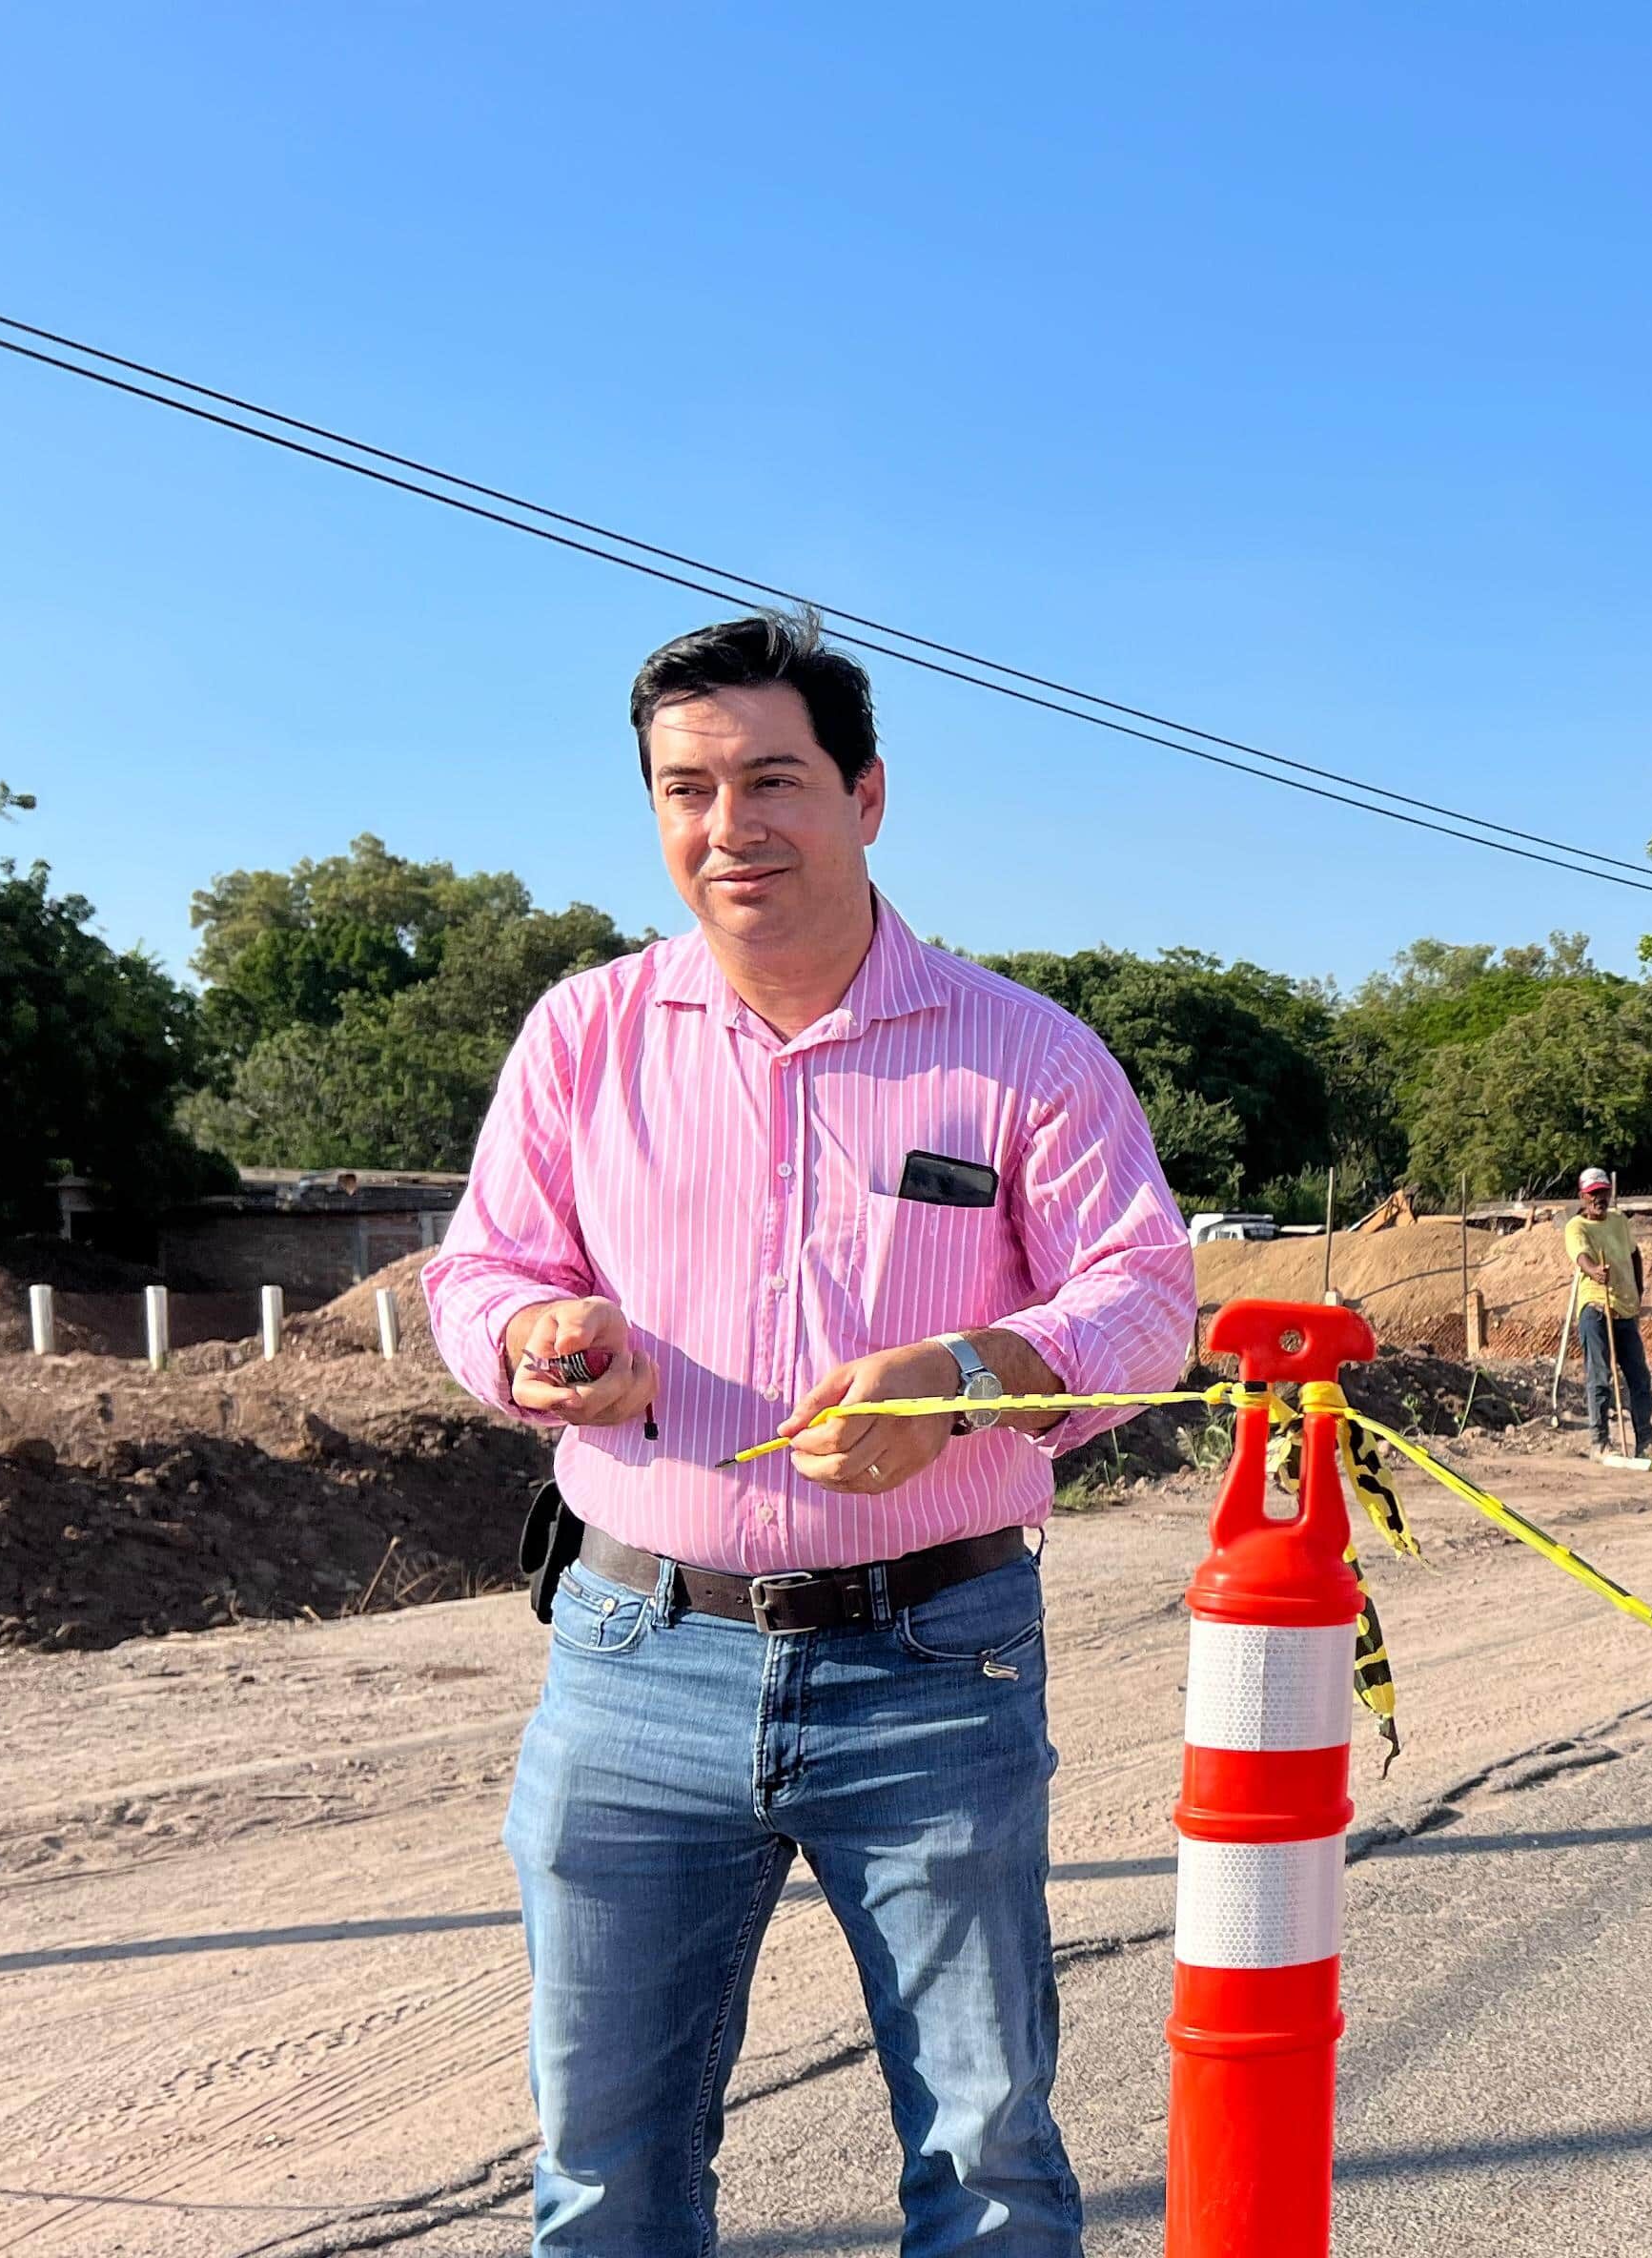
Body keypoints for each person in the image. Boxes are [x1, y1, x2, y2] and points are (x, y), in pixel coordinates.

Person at [426, 611, 1195, 2257]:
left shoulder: (1024, 1055)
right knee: (602, 2168)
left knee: (986, 2162)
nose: (730, 826)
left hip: (933, 1657)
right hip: (634, 1652)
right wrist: (534, 1337)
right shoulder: (587, 1037)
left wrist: (973, 1377)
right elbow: (480, 1268)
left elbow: (1142, 1303)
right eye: (685, 788)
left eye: (771, 778)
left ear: (865, 794)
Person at [1563, 1164, 1652, 1456]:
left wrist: (1639, 1289)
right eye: (1593, 1194)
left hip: (1625, 1309)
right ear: (1582, 1197)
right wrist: (1594, 1271)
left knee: (1639, 1378)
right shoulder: (1576, 1227)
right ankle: (1600, 1442)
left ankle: (1646, 1441)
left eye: (1603, 1193)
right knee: (1600, 1375)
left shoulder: (1619, 1221)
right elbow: (1580, 1255)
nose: (1599, 1199)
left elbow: (1634, 1253)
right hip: (1596, 1308)